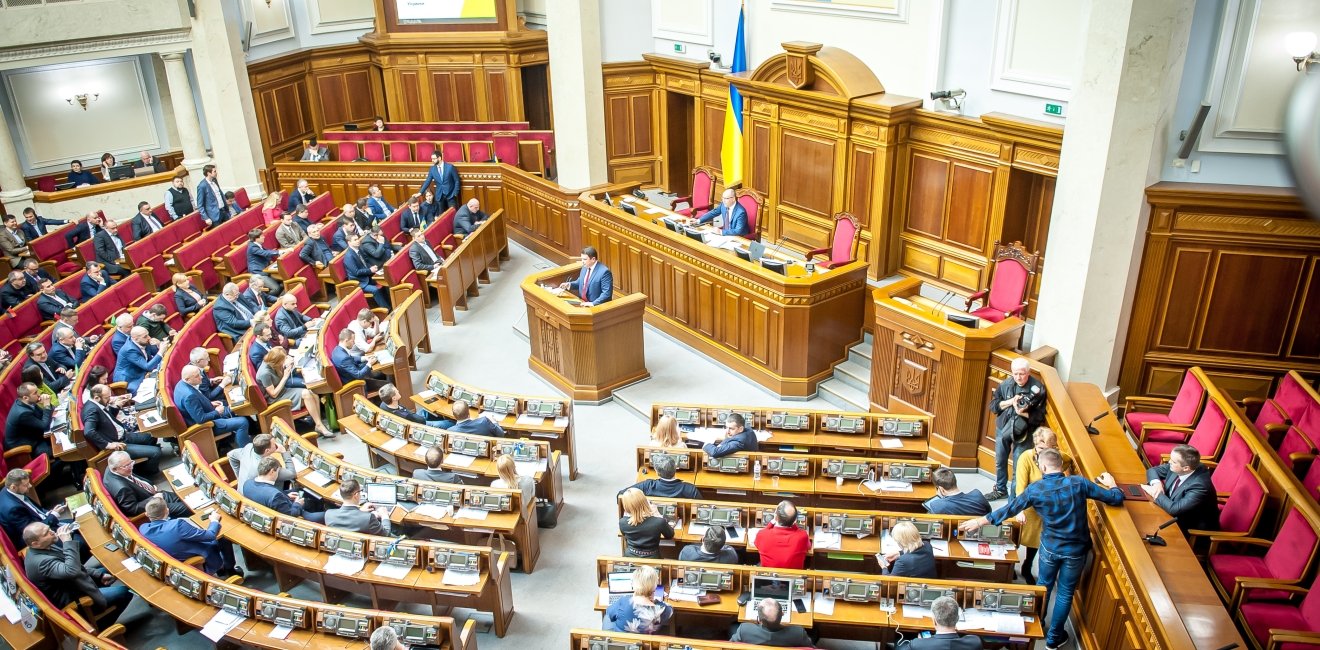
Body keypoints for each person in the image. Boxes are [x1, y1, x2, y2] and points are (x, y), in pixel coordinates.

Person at [958, 448, 1123, 650]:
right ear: (1060, 465)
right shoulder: (1078, 483)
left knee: (1043, 585)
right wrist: (1113, 485)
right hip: (1075, 550)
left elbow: (1010, 508)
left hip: (1050, 547)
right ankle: (1053, 640)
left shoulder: (1035, 489)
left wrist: (981, 521)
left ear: (1043, 467)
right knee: (1064, 593)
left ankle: (1037, 624)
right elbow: (1114, 498)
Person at [24, 521, 131, 629]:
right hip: (78, 599)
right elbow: (72, 570)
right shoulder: (41, 563)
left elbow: (73, 565)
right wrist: (67, 542)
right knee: (125, 592)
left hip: (75, 583)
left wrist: (98, 575)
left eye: (49, 529)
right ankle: (101, 626)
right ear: (35, 544)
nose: (51, 532)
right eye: (46, 533)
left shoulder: (42, 547)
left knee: (113, 567)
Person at [1014, 427, 1074, 583]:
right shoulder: (1026, 457)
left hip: (1043, 509)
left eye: (1047, 449)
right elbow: (1020, 487)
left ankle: (1027, 567)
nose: (1042, 453)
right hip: (1026, 506)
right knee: (1015, 538)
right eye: (1040, 448)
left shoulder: (1054, 457)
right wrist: (1019, 510)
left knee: (1035, 540)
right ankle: (1010, 567)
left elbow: (1067, 459)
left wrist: (1053, 453)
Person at [987, 357, 1047, 500]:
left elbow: (1040, 417)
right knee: (1000, 461)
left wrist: (1024, 413)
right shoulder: (1006, 384)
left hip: (1025, 432)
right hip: (1004, 427)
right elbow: (993, 406)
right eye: (1015, 374)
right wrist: (1010, 402)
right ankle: (1000, 489)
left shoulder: (1038, 389)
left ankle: (1013, 500)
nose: (1018, 377)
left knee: (1018, 467)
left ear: (1028, 372)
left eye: (1021, 374)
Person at [140, 495, 239, 577]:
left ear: (146, 514)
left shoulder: (143, 529)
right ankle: (229, 569)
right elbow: (210, 535)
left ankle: (223, 570)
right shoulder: (177, 525)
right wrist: (214, 521)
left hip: (174, 558)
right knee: (222, 538)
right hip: (195, 556)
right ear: (167, 510)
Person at [257, 347, 335, 439]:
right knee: (306, 393)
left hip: (283, 391)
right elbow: (273, 394)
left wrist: (289, 364)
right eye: (283, 359)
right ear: (276, 361)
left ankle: (318, 424)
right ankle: (319, 425)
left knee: (313, 392)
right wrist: (285, 376)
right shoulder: (264, 373)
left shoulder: (272, 363)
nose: (284, 361)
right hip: (275, 399)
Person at [84, 386, 162, 476]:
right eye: (107, 398)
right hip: (118, 445)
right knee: (156, 452)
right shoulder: (91, 410)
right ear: (96, 398)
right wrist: (108, 445)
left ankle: (145, 459)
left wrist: (116, 406)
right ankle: (145, 472)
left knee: (151, 436)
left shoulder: (97, 404)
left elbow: (107, 419)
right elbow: (88, 431)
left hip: (123, 436)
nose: (109, 400)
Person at [1143, 444, 1218, 532]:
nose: (1169, 462)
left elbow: (1174, 509)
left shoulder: (1200, 486)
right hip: (1169, 513)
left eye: (1174, 461)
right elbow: (1153, 470)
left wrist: (1156, 493)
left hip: (1189, 528)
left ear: (1186, 468)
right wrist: (1156, 484)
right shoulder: (1180, 466)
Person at [175, 365, 252, 448]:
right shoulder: (189, 396)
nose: (201, 377)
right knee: (242, 422)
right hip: (207, 426)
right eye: (197, 376)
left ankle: (241, 437)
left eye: (200, 374)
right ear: (188, 379)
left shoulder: (181, 384)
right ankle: (246, 449)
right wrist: (217, 412)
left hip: (208, 412)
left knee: (236, 407)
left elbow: (195, 404)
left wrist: (209, 403)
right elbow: (200, 419)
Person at [102, 450, 189, 519]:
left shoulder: (113, 468)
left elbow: (133, 477)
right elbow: (133, 509)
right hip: (153, 506)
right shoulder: (122, 488)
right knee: (188, 507)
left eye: (131, 463)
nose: (131, 467)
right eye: (127, 466)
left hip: (154, 495)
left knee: (186, 495)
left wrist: (149, 484)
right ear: (115, 469)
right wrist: (154, 498)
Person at [242, 456, 324, 523]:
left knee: (300, 491)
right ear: (272, 471)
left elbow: (268, 495)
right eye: (278, 471)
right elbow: (291, 515)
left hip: (268, 510)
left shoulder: (247, 484)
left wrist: (285, 495)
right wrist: (298, 504)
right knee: (325, 514)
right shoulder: (275, 495)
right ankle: (321, 506)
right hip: (296, 516)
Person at [0, 469, 69, 548]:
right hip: (38, 541)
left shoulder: (10, 490)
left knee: (77, 522)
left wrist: (48, 513)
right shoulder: (12, 509)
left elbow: (35, 510)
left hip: (42, 523)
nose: (30, 486)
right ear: (13, 487)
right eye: (26, 485)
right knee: (78, 542)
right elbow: (33, 534)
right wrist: (54, 515)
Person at [603, 565, 672, 633]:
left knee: (607, 617)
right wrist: (654, 601)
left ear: (633, 584)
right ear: (654, 587)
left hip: (621, 641)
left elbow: (609, 612)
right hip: (645, 642)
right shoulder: (661, 609)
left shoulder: (624, 600)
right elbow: (670, 609)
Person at [730, 598, 813, 647]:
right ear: (783, 614)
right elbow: (810, 648)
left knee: (733, 627)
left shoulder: (744, 630)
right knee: (814, 632)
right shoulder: (798, 633)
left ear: (760, 620)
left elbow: (729, 646)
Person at [908, 596, 983, 649]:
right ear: (957, 619)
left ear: (934, 621)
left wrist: (923, 643)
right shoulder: (975, 642)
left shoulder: (916, 645)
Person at [618, 487, 673, 558]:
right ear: (645, 501)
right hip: (653, 557)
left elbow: (626, 537)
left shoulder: (622, 522)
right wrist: (658, 515)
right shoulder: (658, 522)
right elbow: (670, 535)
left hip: (630, 556)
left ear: (626, 506)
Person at [228, 434, 295, 491]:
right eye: (274, 444)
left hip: (242, 491)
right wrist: (284, 452)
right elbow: (292, 474)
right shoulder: (266, 465)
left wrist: (239, 476)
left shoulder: (249, 447)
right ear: (267, 451)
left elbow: (230, 455)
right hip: (256, 500)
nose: (277, 445)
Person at [5, 382, 53, 460]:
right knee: (58, 452)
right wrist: (47, 405)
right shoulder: (23, 413)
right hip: (24, 447)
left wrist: (47, 404)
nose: (38, 395)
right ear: (25, 397)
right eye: (35, 393)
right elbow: (44, 426)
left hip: (33, 435)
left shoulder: (28, 402)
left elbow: (42, 415)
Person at [756, 500, 810, 569]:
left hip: (769, 578)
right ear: (795, 520)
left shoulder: (762, 534)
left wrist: (771, 523)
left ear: (776, 517)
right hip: (793, 576)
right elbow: (808, 547)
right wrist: (794, 524)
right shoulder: (803, 536)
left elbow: (757, 543)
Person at [343, 232, 391, 309]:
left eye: (358, 239)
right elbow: (356, 272)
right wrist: (369, 270)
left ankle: (390, 304)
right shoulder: (349, 256)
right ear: (349, 243)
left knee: (384, 282)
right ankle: (386, 309)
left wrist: (372, 268)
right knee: (376, 290)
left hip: (368, 276)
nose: (358, 241)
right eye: (355, 240)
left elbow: (365, 262)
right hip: (360, 282)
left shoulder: (359, 250)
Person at [112, 326, 164, 392]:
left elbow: (155, 352)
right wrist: (161, 350)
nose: (149, 338)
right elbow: (148, 367)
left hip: (141, 370)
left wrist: (159, 344)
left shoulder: (142, 341)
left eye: (148, 335)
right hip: (129, 379)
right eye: (145, 336)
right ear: (136, 339)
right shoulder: (129, 349)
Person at [625, 454, 702, 499]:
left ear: (657, 472)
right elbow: (701, 506)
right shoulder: (690, 489)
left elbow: (621, 494)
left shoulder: (647, 485)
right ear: (675, 469)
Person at [378, 383, 451, 428]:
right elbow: (421, 420)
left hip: (413, 416)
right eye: (396, 391)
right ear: (394, 398)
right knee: (447, 423)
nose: (398, 391)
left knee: (424, 411)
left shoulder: (384, 404)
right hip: (420, 424)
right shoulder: (404, 415)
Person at [924, 467, 991, 516]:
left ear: (941, 489)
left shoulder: (936, 505)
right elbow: (989, 513)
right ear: (955, 481)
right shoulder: (977, 495)